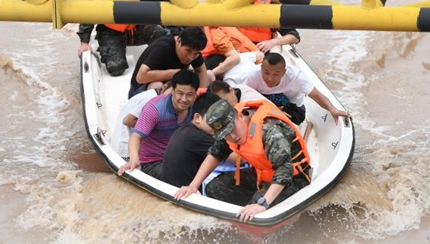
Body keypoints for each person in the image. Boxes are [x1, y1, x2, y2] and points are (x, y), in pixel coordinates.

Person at [173, 98, 312, 222]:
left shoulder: (268, 131)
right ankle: (235, 217)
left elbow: (284, 170)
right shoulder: (228, 132)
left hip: (294, 178)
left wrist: (261, 204)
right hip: (262, 174)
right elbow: (216, 153)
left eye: (232, 129)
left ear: (240, 117)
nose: (232, 136)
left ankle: (252, 223)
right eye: (226, 134)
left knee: (254, 214)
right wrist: (193, 186)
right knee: (214, 189)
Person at [117, 69, 199, 177]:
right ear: (173, 91)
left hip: (181, 157)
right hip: (152, 163)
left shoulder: (197, 107)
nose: (184, 99)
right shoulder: (155, 109)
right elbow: (136, 136)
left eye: (189, 95)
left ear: (195, 94)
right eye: (180, 93)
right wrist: (134, 160)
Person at [244, 52, 350, 125]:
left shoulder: (296, 76)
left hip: (291, 107)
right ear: (261, 68)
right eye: (266, 73)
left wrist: (332, 109)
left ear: (284, 72)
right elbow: (245, 98)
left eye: (276, 74)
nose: (270, 78)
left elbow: (316, 95)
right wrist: (270, 110)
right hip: (264, 103)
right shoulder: (253, 75)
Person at [142, 92, 222, 186]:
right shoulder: (200, 137)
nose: (218, 124)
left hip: (166, 180)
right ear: (197, 118)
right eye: (213, 118)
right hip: (179, 190)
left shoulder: (185, 128)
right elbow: (235, 157)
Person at [128, 26, 209, 98]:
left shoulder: (193, 50)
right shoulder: (162, 48)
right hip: (140, 90)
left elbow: (201, 70)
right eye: (188, 51)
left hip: (171, 82)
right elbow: (140, 77)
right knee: (159, 86)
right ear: (179, 41)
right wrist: (174, 73)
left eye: (196, 53)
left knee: (209, 75)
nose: (191, 57)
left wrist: (200, 93)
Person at [109, 81, 171, 158]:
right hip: (126, 151)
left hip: (119, 146)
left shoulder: (149, 95)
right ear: (164, 87)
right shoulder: (152, 99)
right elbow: (128, 120)